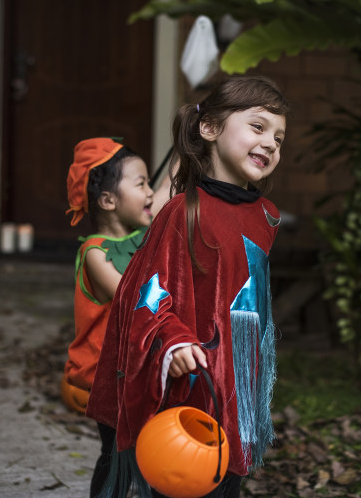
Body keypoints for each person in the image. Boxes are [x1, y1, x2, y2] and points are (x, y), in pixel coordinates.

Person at [87, 75, 289, 498]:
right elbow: (145, 291)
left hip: (236, 381)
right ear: (210, 128)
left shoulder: (267, 216)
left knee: (224, 476)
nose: (270, 143)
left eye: (279, 137)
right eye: (257, 127)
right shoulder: (184, 212)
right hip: (190, 376)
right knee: (179, 479)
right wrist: (173, 342)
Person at [62, 137, 172, 498]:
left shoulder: (145, 235)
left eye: (148, 183)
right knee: (117, 453)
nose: (151, 193)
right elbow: (133, 297)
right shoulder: (95, 252)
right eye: (140, 184)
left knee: (151, 449)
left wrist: (188, 143)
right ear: (108, 200)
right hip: (110, 375)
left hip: (141, 368)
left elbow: (168, 189)